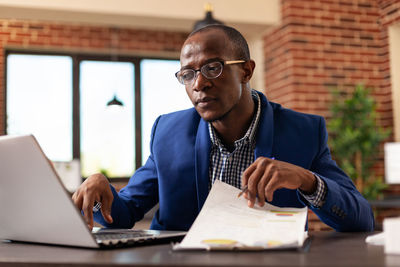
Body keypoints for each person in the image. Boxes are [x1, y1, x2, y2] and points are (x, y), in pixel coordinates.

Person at [72, 24, 374, 232]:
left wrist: (308, 180)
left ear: (246, 70)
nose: (199, 84)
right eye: (187, 75)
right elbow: (124, 214)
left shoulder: (302, 131)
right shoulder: (168, 132)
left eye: (212, 68)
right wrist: (100, 194)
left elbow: (361, 220)